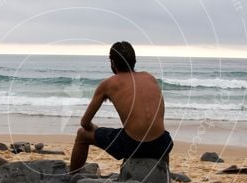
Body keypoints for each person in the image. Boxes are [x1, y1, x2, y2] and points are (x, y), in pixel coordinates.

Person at [70, 41, 173, 173]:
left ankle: (73, 177)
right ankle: (164, 177)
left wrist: (94, 128)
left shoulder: (108, 84)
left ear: (112, 62)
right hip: (162, 144)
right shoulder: (149, 77)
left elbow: (84, 122)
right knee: (161, 135)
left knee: (82, 135)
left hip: (132, 144)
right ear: (134, 61)